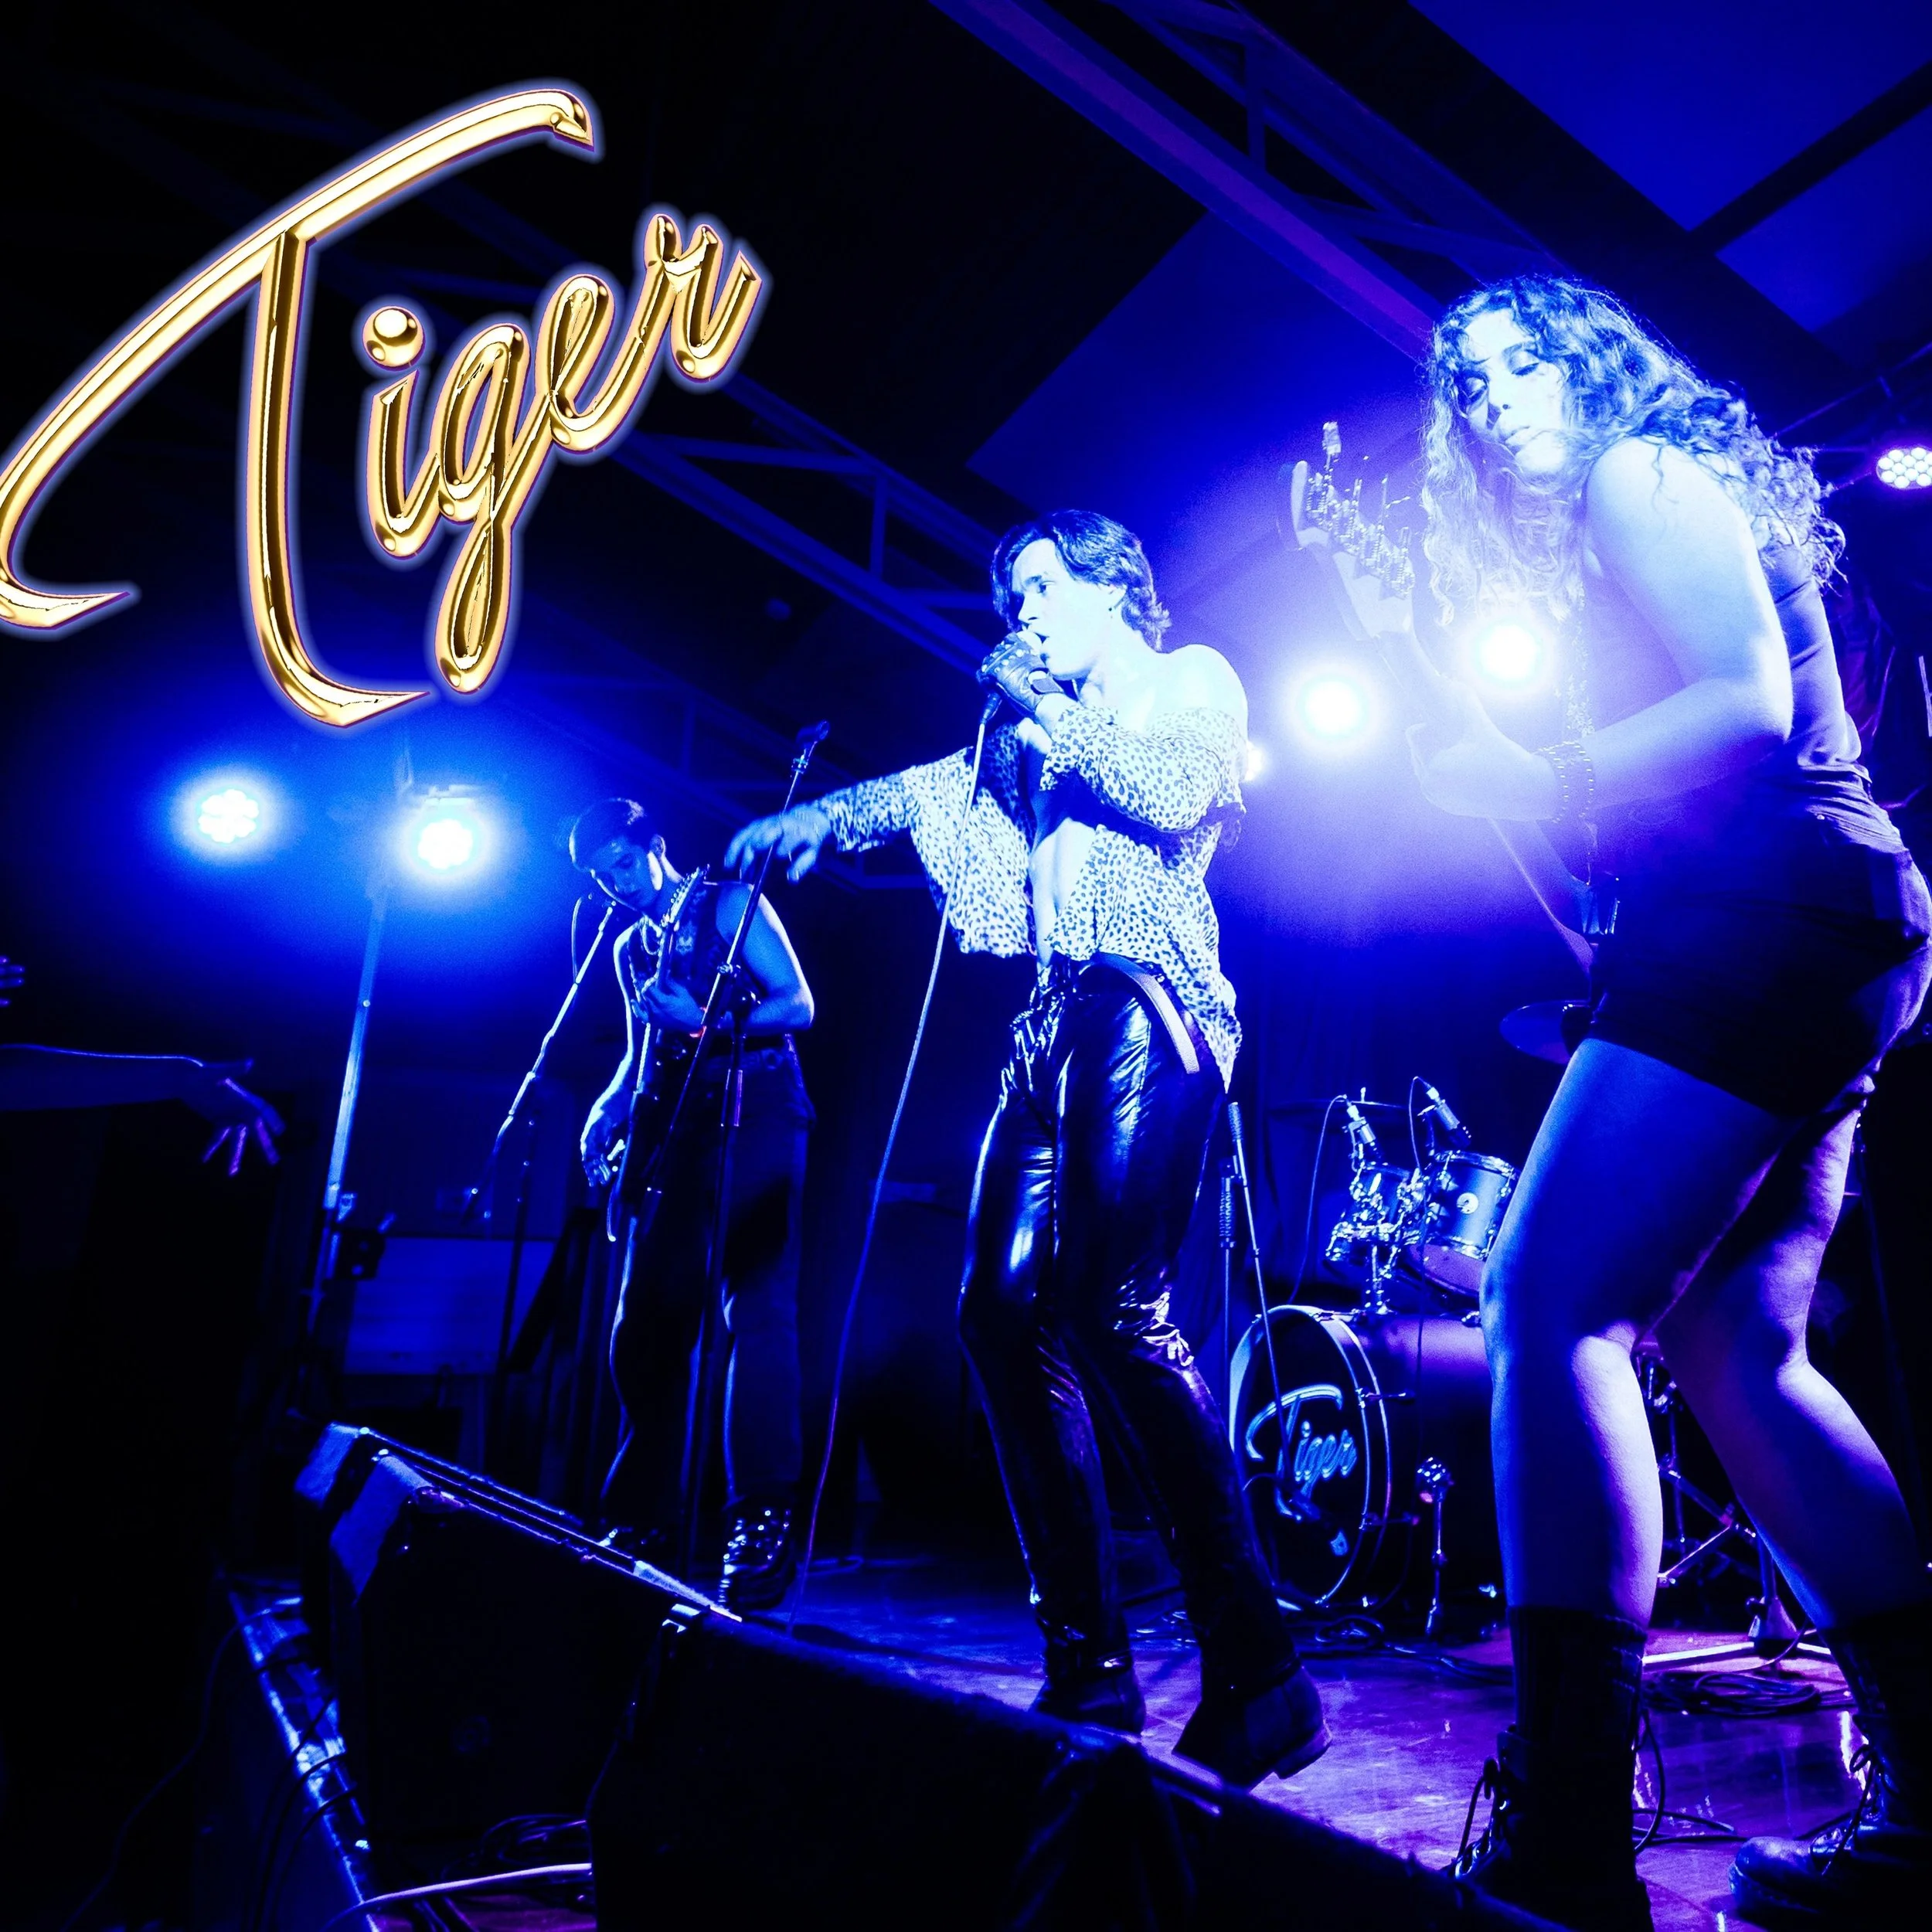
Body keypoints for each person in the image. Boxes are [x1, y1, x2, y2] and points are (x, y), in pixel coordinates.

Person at [1296, 273, 1930, 1930]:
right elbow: (1591, 836)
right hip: (1814, 920)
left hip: (1774, 913)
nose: (1494, 396)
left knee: (1546, 1302)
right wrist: (1433, 675)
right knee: (1737, 1352)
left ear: (1591, 364)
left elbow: (1746, 702)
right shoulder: (1593, 563)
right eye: (1467, 383)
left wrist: (1546, 774)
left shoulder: (1643, 470)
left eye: (1524, 363)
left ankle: (1570, 1833)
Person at [725, 511, 1325, 1789]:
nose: (1024, 617)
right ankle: (1089, 1665)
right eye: (1013, 601)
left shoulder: (1188, 678)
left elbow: (1171, 792)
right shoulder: (1029, 736)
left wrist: (1048, 711)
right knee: (997, 1319)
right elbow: (929, 795)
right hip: (1048, 1031)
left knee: (1116, 1308)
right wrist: (822, 819)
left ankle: (1261, 1669)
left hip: (1147, 1001)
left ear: (1113, 584)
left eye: (1043, 589)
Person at [572, 798, 815, 1611]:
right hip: (678, 1119)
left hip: (759, 1104)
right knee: (644, 1320)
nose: (616, 886)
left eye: (621, 865)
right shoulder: (630, 947)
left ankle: (762, 1518)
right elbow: (643, 1052)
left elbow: (798, 1005)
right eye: (600, 878)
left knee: (758, 1307)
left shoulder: (730, 903)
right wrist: (607, 1109)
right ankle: (640, 1515)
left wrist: (707, 1021)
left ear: (655, 845)